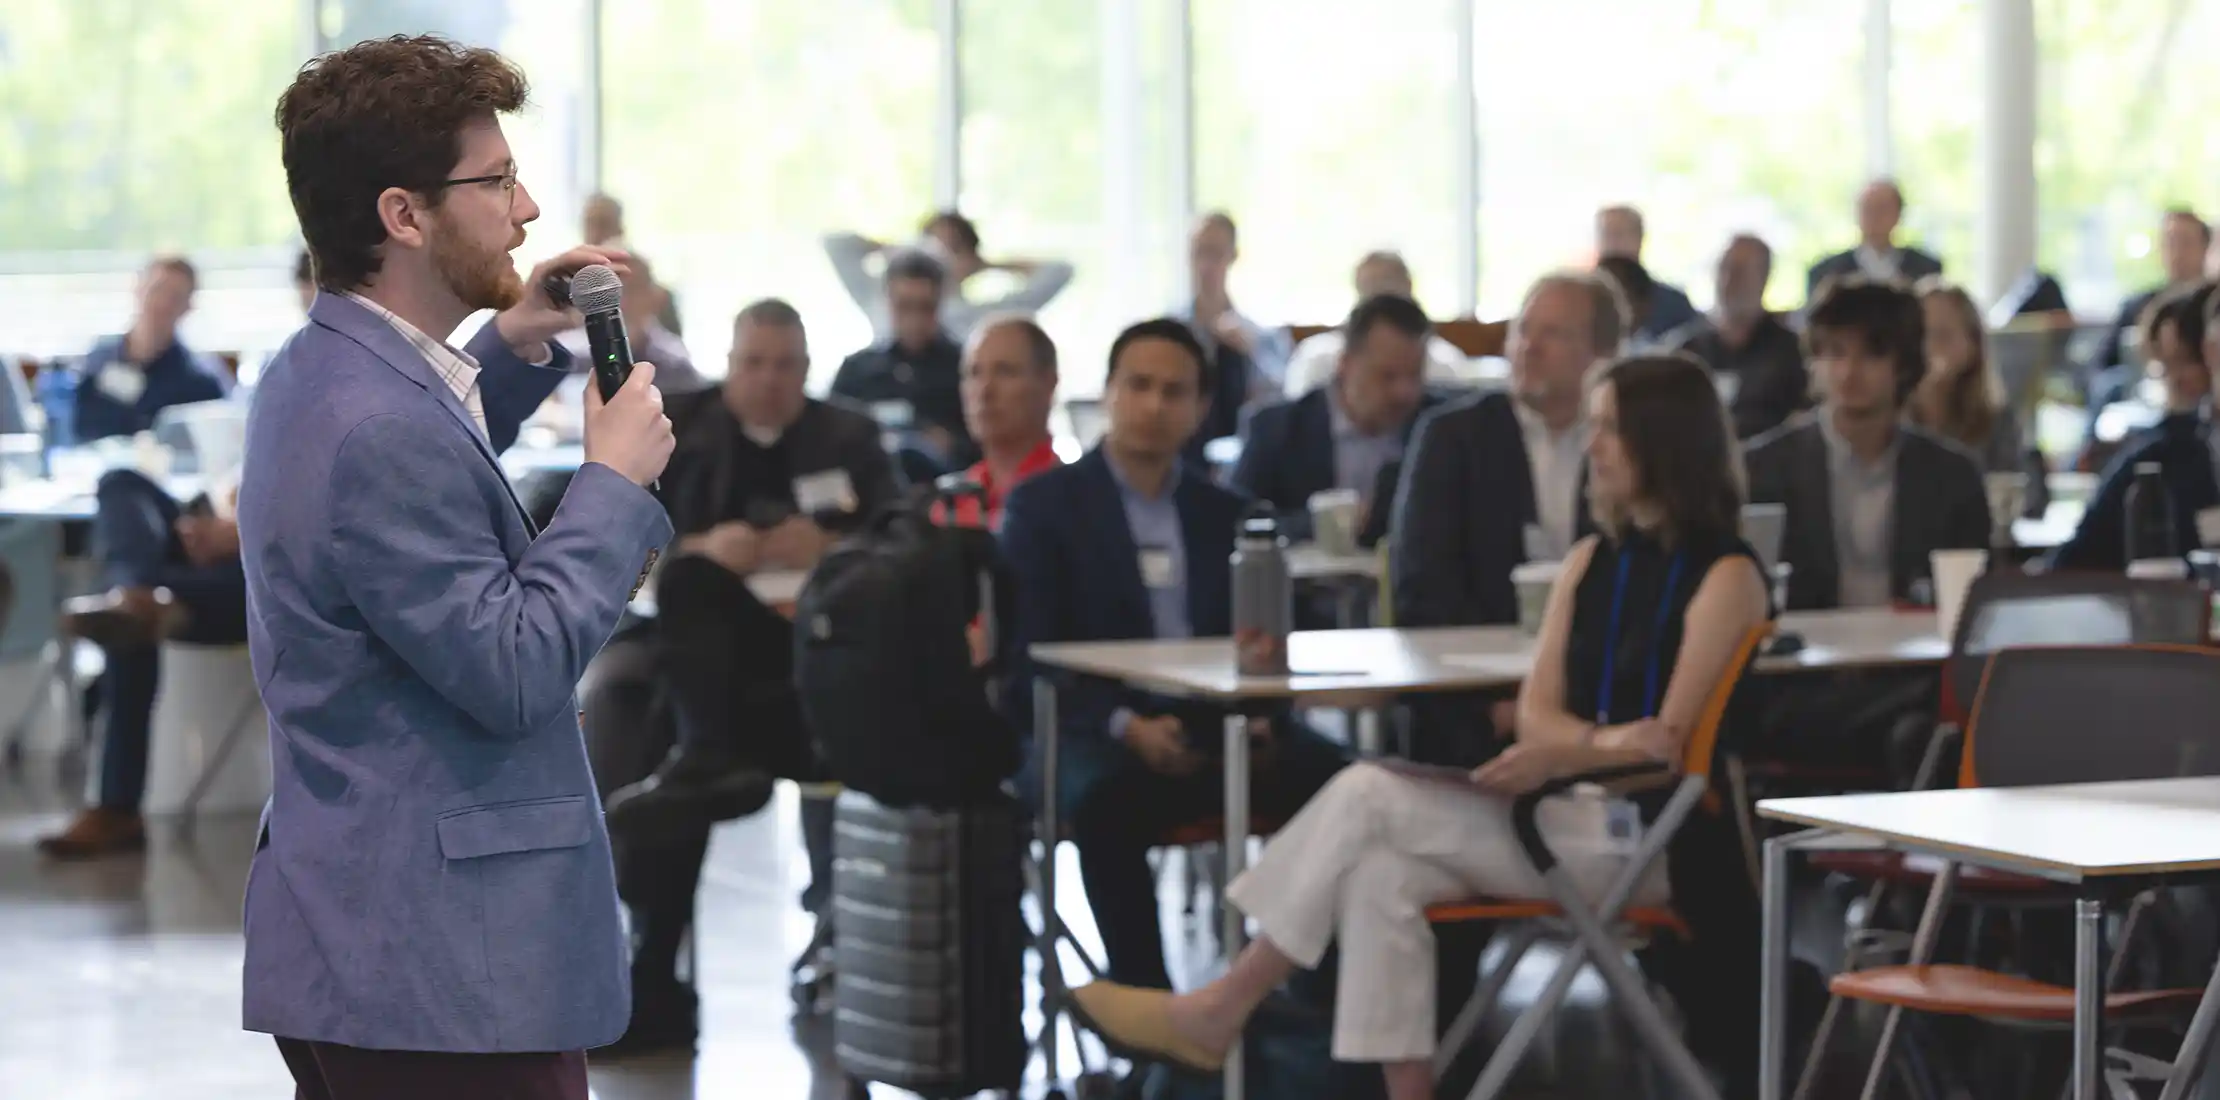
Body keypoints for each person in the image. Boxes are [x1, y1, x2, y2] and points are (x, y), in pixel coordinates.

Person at [1069, 354, 1773, 1100]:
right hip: (1560, 814)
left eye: (1609, 430)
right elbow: (1539, 715)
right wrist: (1586, 747)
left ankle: (1221, 1004)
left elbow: (1669, 750)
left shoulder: (1728, 574)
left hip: (1654, 838)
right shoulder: (1591, 559)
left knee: (1369, 791)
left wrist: (1569, 750)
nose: (1592, 447)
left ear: (1662, 442)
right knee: (1380, 875)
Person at [242, 36, 675, 1098]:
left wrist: (512, 342)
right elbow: (514, 668)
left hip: (372, 935)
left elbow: (412, 447)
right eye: (495, 181)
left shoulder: (324, 369)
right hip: (441, 965)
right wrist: (611, 484)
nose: (527, 210)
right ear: (404, 214)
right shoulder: (375, 427)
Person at [999, 318, 1348, 991]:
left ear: (1197, 409)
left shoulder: (1231, 514)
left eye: (1173, 391)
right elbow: (1026, 660)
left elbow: (1276, 635)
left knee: (1347, 787)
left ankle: (1311, 999)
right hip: (1095, 730)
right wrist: (1126, 727)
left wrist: (1267, 714)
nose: (1154, 405)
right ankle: (1151, 1020)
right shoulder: (1044, 509)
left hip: (1222, 727)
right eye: (1139, 386)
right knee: (1107, 806)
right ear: (1107, 393)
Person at [602, 299, 900, 838]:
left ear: (807, 371)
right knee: (666, 637)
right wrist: (698, 547)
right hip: (697, 638)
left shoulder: (850, 436)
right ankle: (653, 892)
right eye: (754, 363)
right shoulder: (675, 428)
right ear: (729, 363)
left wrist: (833, 547)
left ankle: (714, 760)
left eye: (785, 366)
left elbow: (898, 541)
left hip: (807, 632)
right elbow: (612, 535)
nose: (769, 380)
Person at [1745, 277, 1989, 611]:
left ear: (1903, 366)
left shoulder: (1953, 475)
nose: (1849, 372)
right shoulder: (1761, 468)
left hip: (1917, 656)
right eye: (1835, 353)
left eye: (1872, 355)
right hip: (1803, 654)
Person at [1232, 293, 1438, 542]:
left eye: (1415, 376)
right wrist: (1325, 523)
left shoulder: (1438, 426)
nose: (1404, 392)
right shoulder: (1277, 428)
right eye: (1387, 376)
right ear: (1345, 364)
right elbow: (1237, 522)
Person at [2050, 282, 2220, 571]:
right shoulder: (2159, 458)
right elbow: (2070, 566)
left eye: (2184, 361)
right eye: (2165, 366)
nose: (2176, 379)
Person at [824, 210, 1073, 343]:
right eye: (930, 245)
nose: (938, 258)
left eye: (952, 249)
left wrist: (988, 265)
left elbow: (1060, 271)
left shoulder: (986, 318)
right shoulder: (881, 300)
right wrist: (903, 249)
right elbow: (835, 243)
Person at [831, 247, 975, 473]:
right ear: (887, 301)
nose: (914, 320)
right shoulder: (856, 372)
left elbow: (994, 445)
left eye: (925, 308)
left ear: (942, 301)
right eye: (904, 307)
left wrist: (951, 444)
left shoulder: (968, 370)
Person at [69, 255, 232, 444]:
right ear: (138, 289)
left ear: (188, 306)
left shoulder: (202, 382)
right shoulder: (96, 363)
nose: (162, 304)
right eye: (157, 290)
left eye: (174, 296)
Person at [1665, 234, 1810, 439]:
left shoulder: (1793, 353)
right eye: (1723, 269)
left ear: (1764, 278)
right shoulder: (1685, 352)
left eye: (1740, 272)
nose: (1728, 281)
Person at [1281, 251, 1478, 398]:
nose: (1401, 393)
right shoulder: (1317, 359)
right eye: (1370, 287)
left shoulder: (1443, 362)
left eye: (1389, 285)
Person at [936, 313, 1061, 529]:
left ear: (1048, 384)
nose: (984, 390)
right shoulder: (952, 503)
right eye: (974, 373)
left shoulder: (1074, 500)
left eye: (1005, 371)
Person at [1911, 280, 2023, 474]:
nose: (1928, 348)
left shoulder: (1997, 422)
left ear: (1973, 346)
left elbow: (2008, 489)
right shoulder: (1885, 418)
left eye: (1942, 336)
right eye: (1919, 335)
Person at [555, 252, 706, 394]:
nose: (622, 302)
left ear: (654, 298)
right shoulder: (569, 357)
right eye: (608, 293)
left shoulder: (675, 364)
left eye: (631, 290)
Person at [1176, 210, 1290, 391]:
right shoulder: (1169, 331)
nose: (1205, 265)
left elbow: (1285, 390)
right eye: (1199, 252)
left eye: (1215, 253)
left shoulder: (1262, 334)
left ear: (1233, 255)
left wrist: (1248, 352)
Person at [1804, 180, 1944, 302]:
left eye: (1882, 209)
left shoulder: (1926, 269)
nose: (1875, 217)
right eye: (1868, 209)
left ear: (1899, 214)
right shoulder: (1826, 272)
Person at [1596, 205, 1698, 341]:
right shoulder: (1576, 302)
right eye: (1606, 234)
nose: (1613, 243)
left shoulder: (1674, 304)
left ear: (1640, 238)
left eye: (1619, 234)